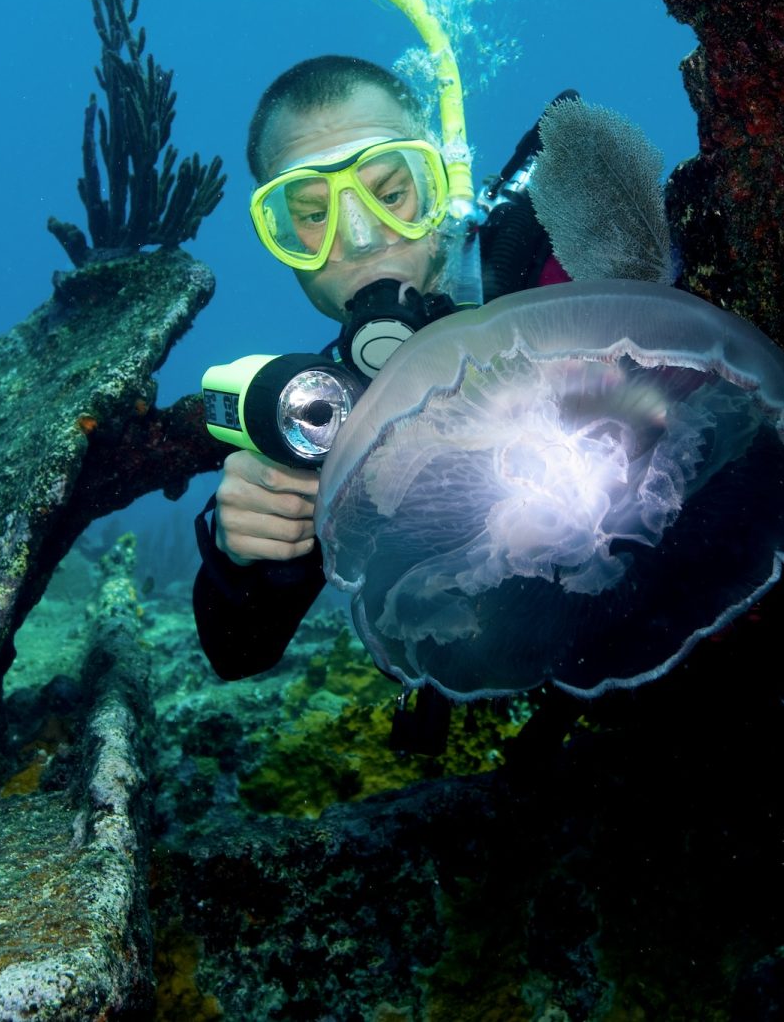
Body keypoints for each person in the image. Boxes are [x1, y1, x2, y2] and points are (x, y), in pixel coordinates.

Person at [193, 50, 569, 688]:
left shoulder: (547, 254)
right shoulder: (322, 411)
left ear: (441, 181)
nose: (364, 237)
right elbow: (238, 654)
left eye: (391, 192)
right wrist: (249, 556)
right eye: (314, 215)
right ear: (282, 239)